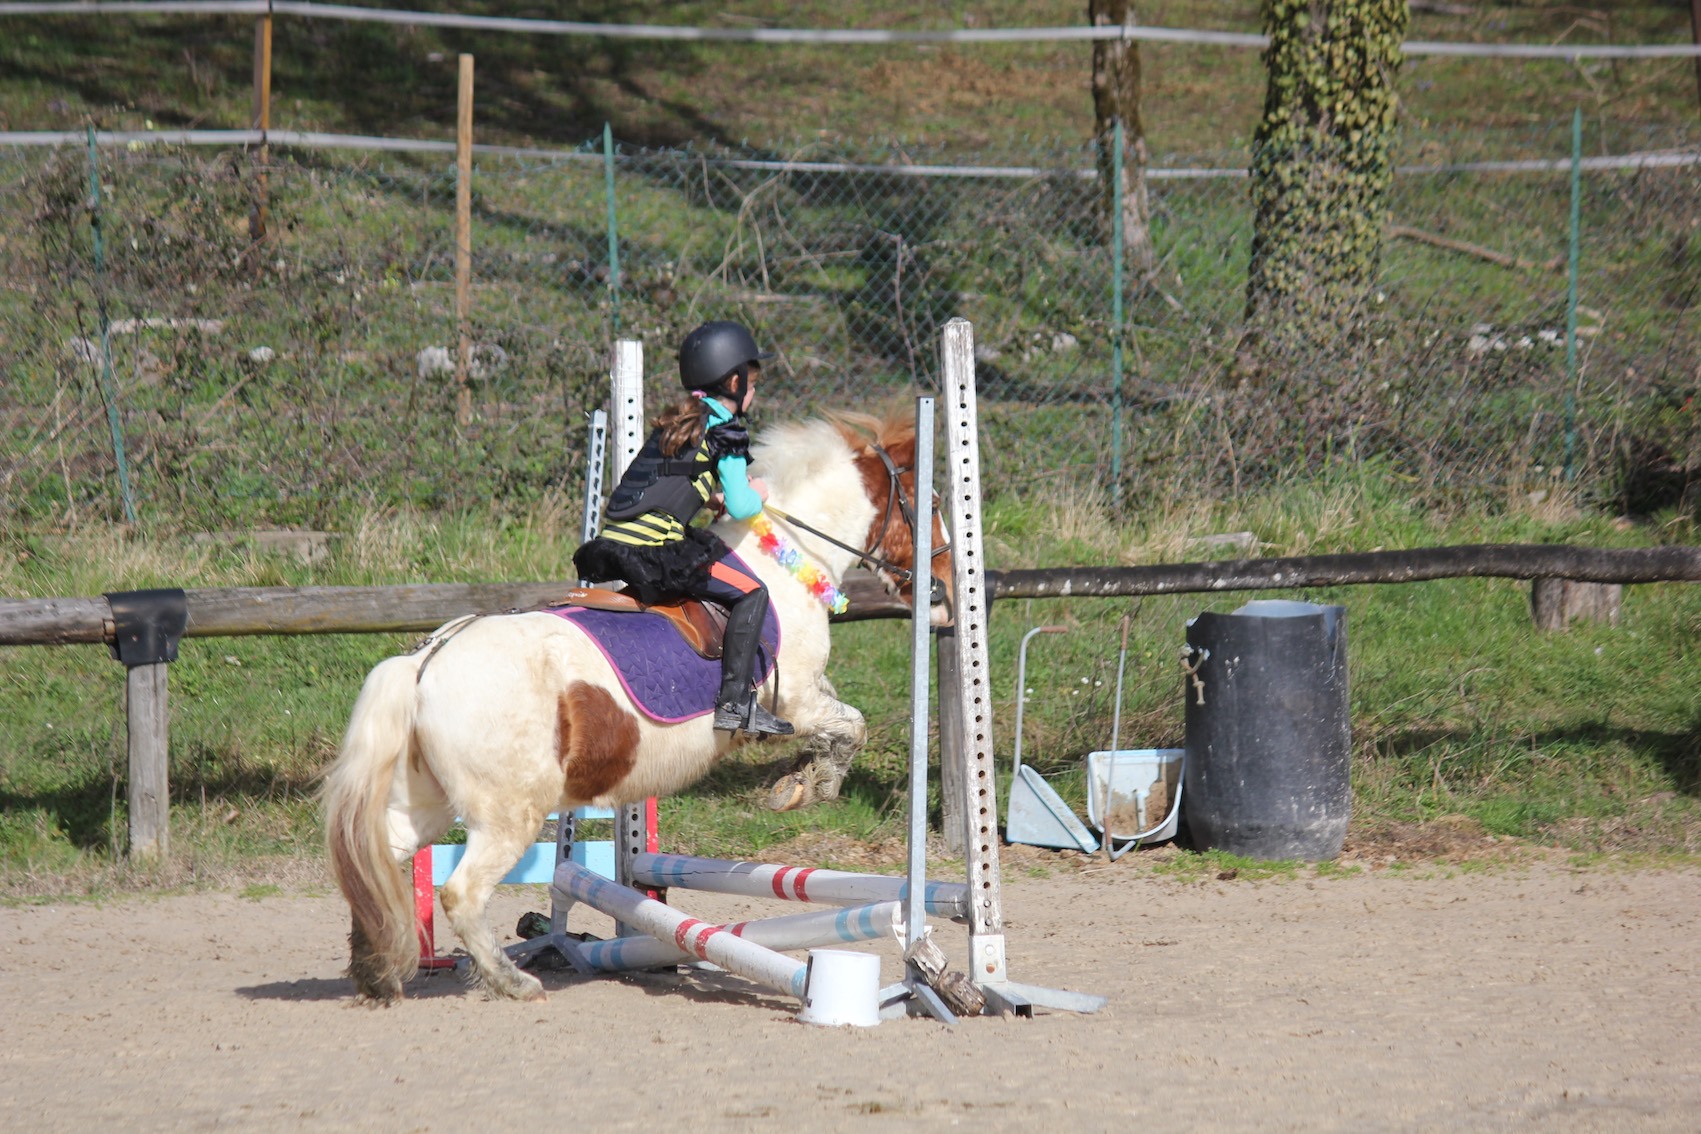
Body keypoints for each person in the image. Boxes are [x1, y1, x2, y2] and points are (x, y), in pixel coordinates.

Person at [573, 320, 794, 737]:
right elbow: (743, 505)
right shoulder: (726, 432)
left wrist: (708, 497)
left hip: (616, 541)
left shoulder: (682, 420)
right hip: (655, 549)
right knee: (752, 591)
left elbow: (671, 481)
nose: (753, 393)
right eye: (752, 385)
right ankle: (735, 703)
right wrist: (760, 492)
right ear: (734, 381)